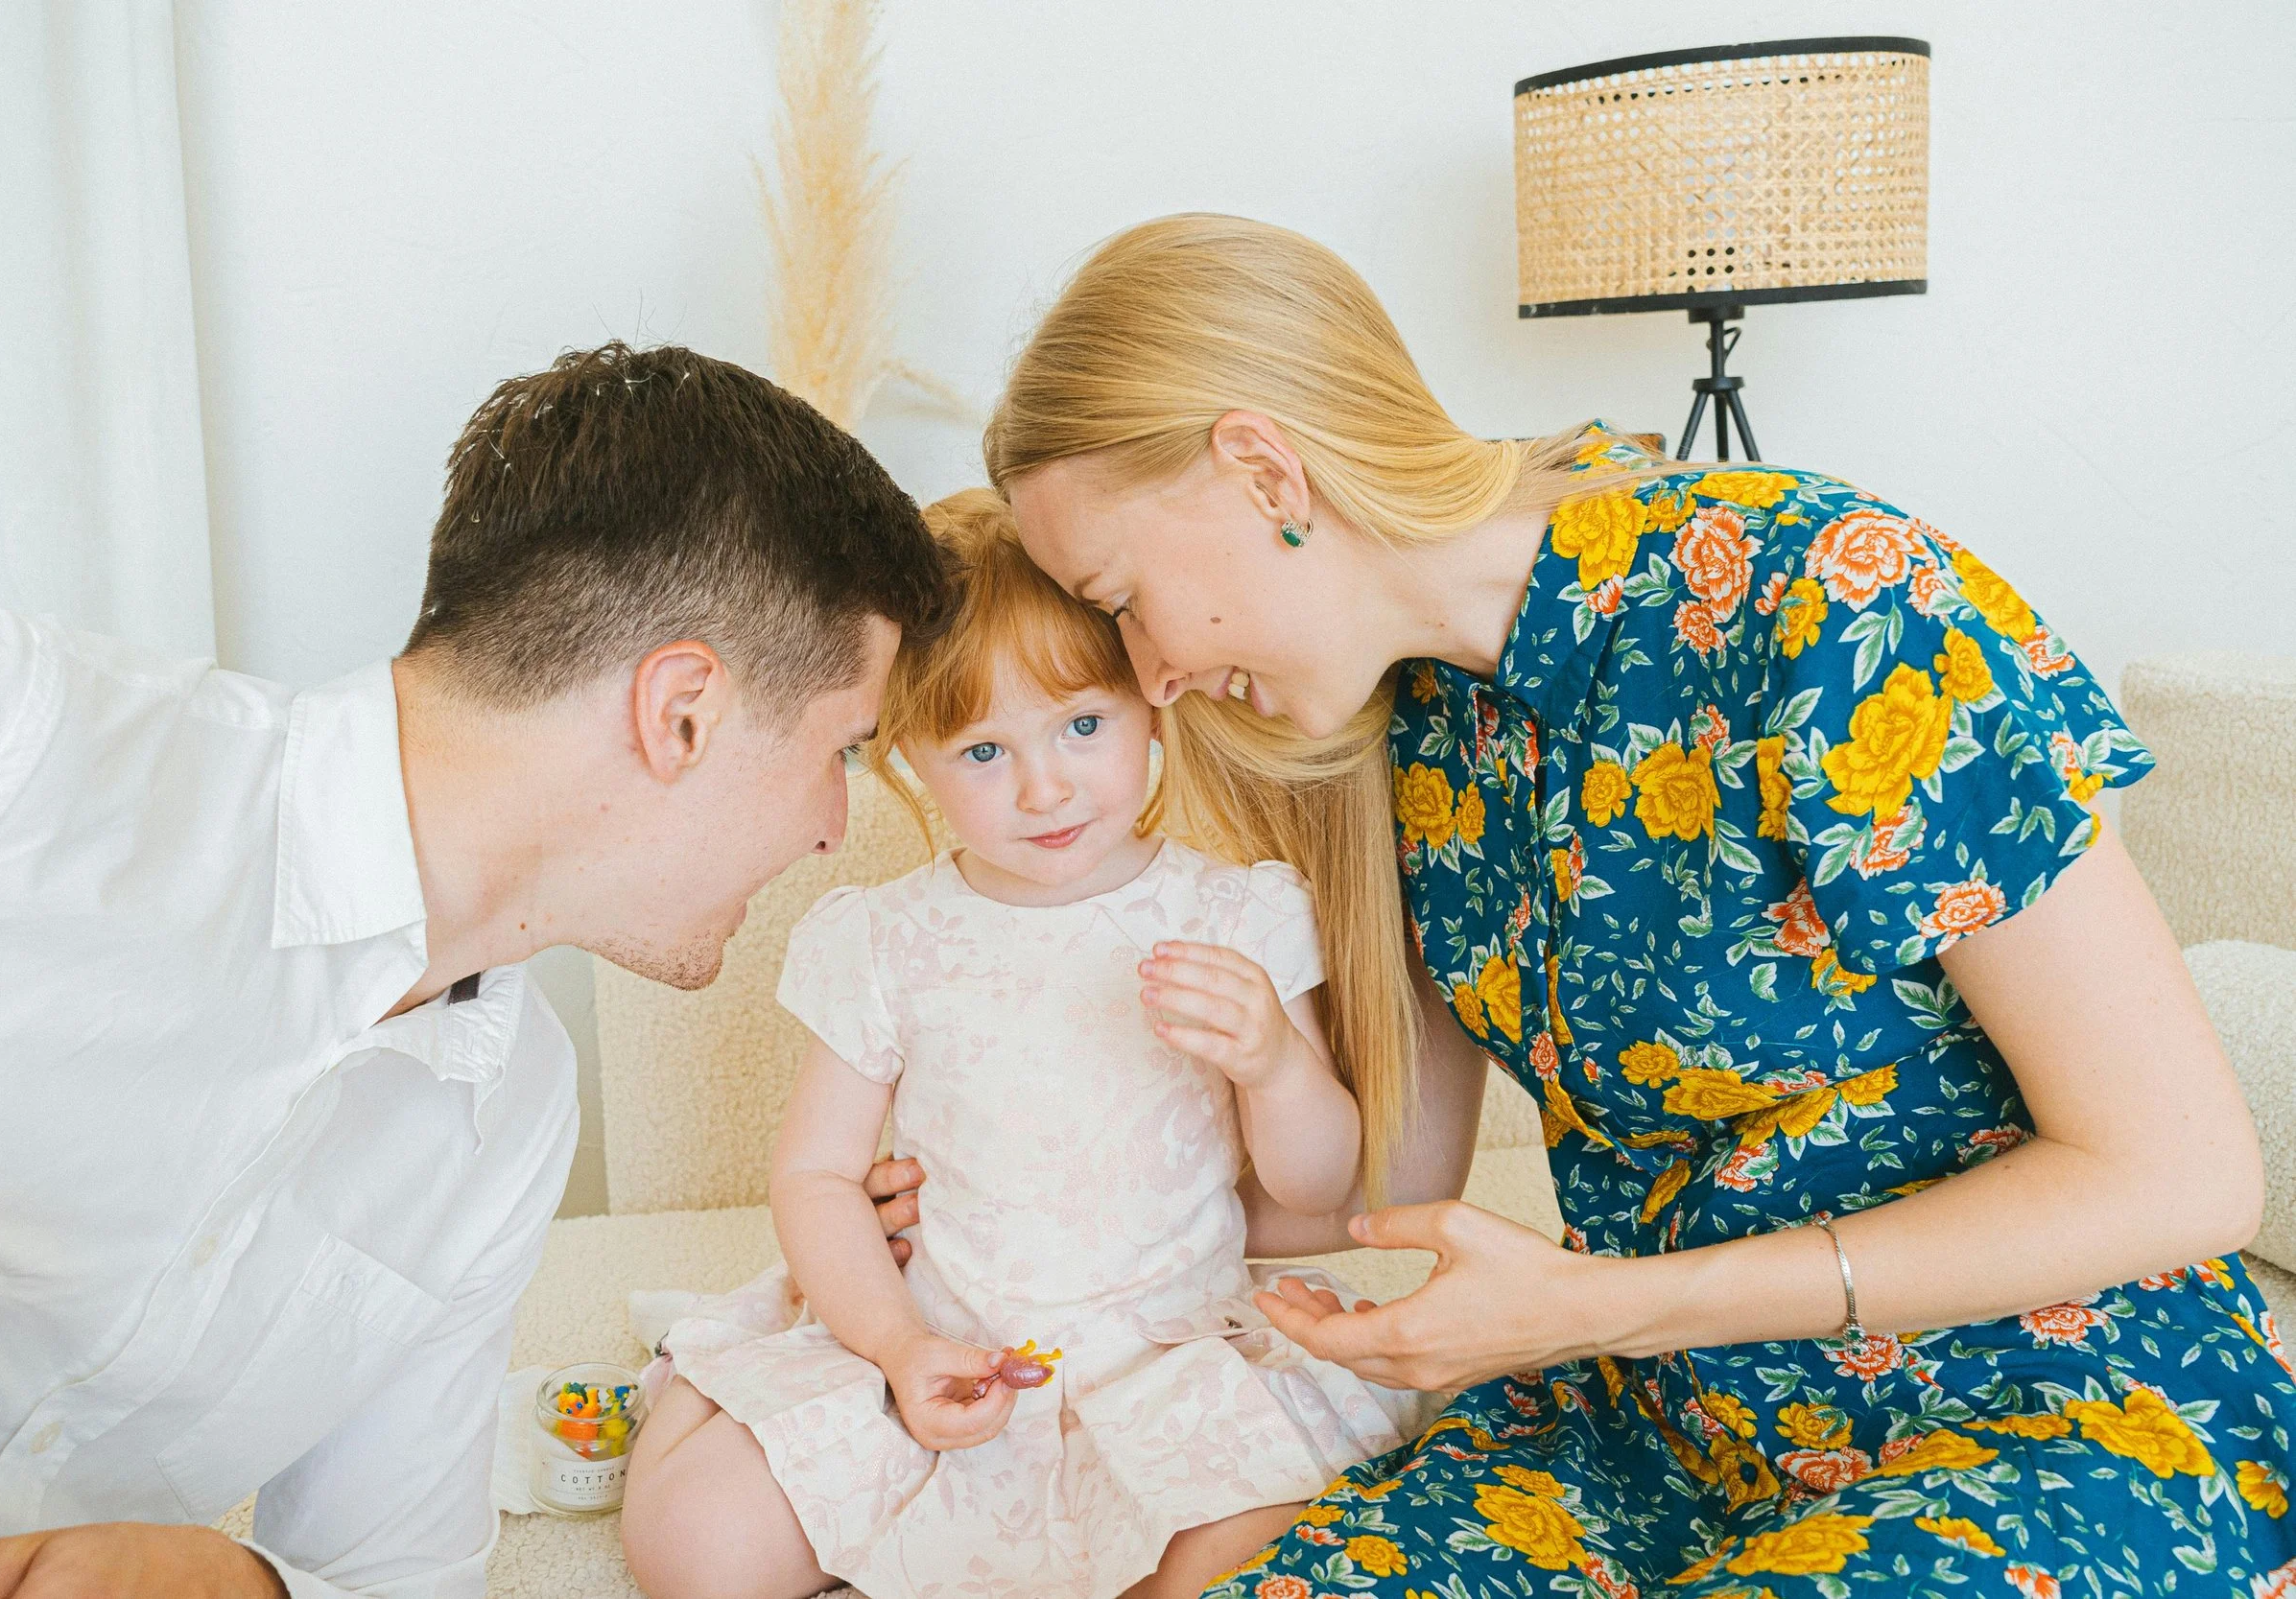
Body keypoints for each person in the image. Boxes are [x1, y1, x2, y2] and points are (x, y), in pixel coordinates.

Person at [983, 213, 2296, 1595]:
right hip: (1656, 1425)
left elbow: (2186, 1174)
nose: (1153, 676)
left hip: (2045, 1402)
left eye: (1124, 600)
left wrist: (1608, 1303)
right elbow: (1392, 1187)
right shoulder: (1411, 731)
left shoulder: (1837, 600)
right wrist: (1001, 1192)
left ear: (1264, 470)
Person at [0, 342, 950, 1599]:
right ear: (682, 711)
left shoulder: (505, 1122)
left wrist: (246, 1586)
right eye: (843, 744)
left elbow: (398, 1568)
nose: (835, 825)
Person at [618, 488, 1437, 1599]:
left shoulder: (1236, 915)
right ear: (908, 755)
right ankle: (726, 1410)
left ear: (1154, 704)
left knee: (1255, 1555)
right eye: (983, 749)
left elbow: (1317, 1179)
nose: (1044, 785)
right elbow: (815, 1173)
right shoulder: (885, 937)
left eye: (1082, 726)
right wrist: (898, 1347)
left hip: (1167, 1362)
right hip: (945, 1344)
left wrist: (1278, 1066)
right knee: (694, 1549)